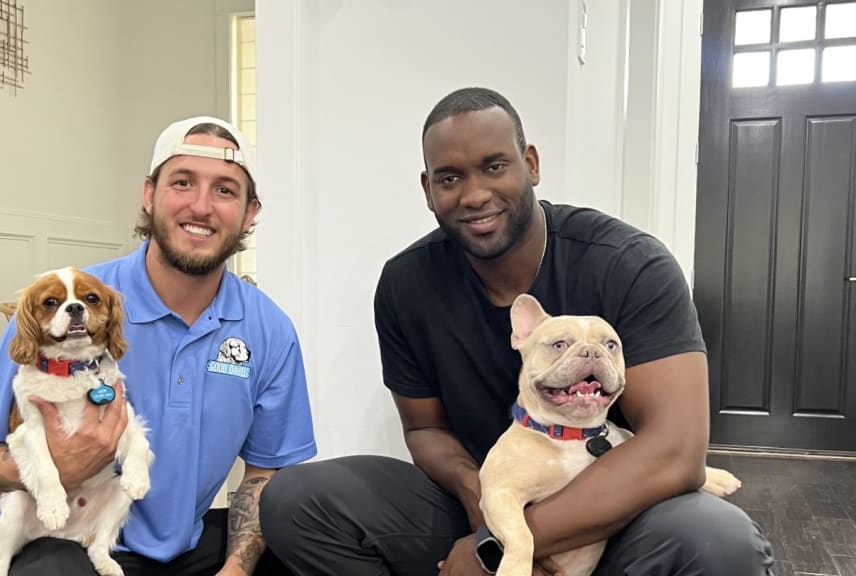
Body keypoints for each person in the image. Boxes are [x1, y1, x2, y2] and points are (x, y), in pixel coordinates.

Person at [259, 87, 775, 575]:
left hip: (618, 508)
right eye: (450, 178)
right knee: (297, 499)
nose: (474, 193)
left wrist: (495, 550)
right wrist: (481, 502)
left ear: (530, 164)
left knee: (719, 540)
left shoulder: (630, 265)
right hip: (492, 492)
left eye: (494, 166)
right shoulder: (406, 283)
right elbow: (425, 429)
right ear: (428, 189)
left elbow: (675, 451)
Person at [0, 116, 316, 576]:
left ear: (248, 213)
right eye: (183, 182)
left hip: (184, 544)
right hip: (59, 538)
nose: (201, 206)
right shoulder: (63, 308)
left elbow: (266, 473)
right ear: (150, 195)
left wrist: (235, 571)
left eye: (225, 190)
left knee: (306, 542)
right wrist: (56, 467)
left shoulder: (269, 329)